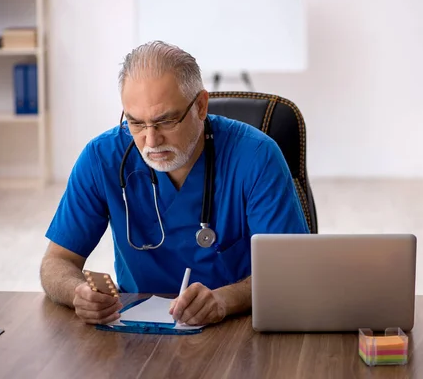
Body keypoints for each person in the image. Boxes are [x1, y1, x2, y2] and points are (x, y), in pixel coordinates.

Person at [39, 41, 309, 327]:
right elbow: (56, 262)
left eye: (166, 121)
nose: (151, 141)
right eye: (136, 123)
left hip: (237, 325)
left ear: (201, 106)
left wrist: (224, 300)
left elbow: (289, 269)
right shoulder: (102, 158)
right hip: (137, 331)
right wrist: (76, 292)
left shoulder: (255, 156)